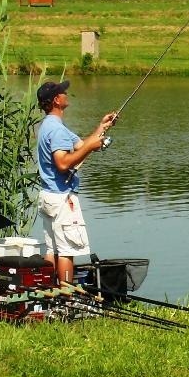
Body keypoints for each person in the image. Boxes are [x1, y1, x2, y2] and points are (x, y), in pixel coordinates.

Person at [36, 80, 117, 283]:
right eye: (63, 92)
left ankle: (50, 294)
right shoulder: (57, 130)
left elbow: (83, 144)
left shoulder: (50, 125)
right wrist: (89, 148)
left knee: (51, 249)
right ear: (56, 100)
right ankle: (66, 298)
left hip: (48, 196)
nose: (66, 94)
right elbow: (63, 163)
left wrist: (102, 127)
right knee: (66, 251)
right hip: (62, 198)